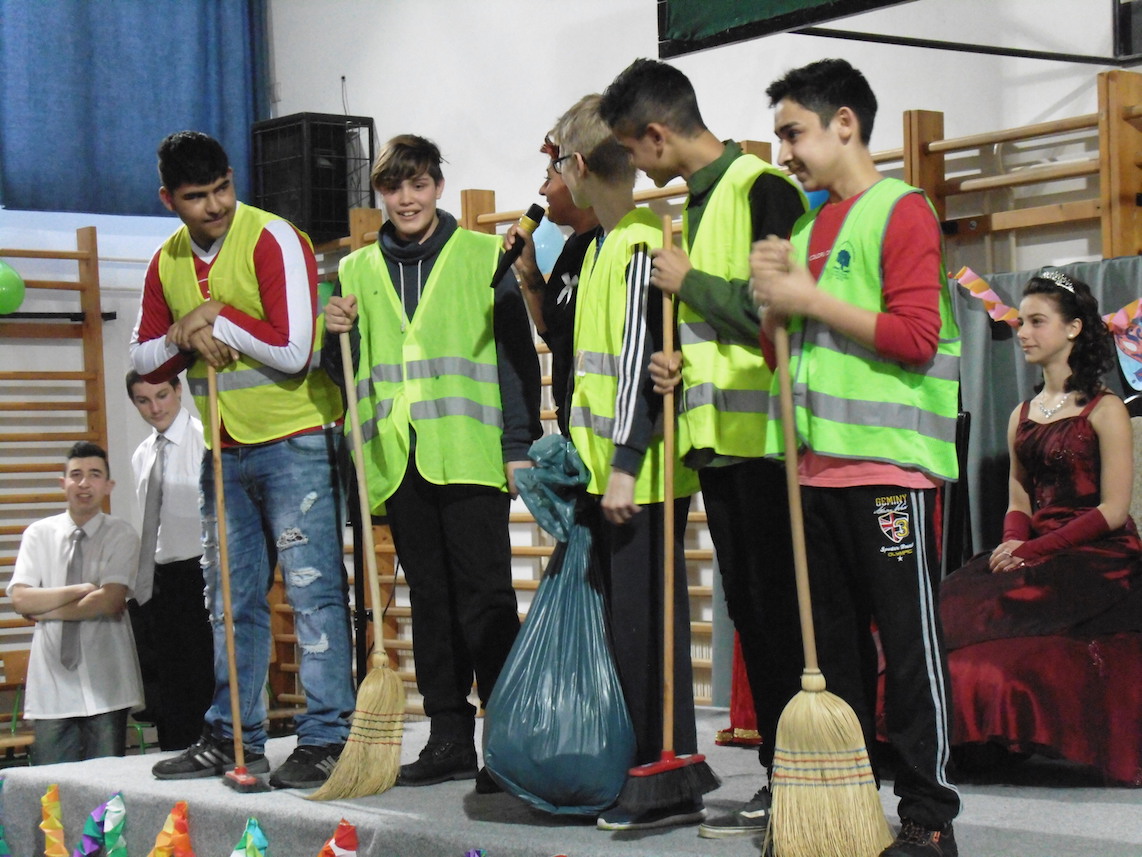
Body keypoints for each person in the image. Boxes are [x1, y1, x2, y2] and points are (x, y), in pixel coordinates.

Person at [751, 59, 961, 856]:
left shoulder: (901, 210)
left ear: (845, 123)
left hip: (887, 471)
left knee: (907, 648)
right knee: (829, 654)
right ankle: (843, 813)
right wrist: (770, 311)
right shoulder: (808, 231)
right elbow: (788, 359)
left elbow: (915, 336)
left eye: (793, 133)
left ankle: (928, 815)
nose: (784, 153)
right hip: (813, 472)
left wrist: (805, 299)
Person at [599, 57, 807, 840]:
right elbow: (723, 333)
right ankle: (782, 777)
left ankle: (809, 779)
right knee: (754, 620)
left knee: (786, 622)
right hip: (718, 448)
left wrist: (688, 285)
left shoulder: (762, 188)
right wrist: (677, 364)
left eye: (633, 146)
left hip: (773, 448)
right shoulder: (697, 201)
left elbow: (778, 311)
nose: (635, 163)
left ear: (656, 135)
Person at [130, 130, 354, 790]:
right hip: (224, 450)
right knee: (229, 603)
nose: (216, 205)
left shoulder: (273, 237)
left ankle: (327, 737)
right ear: (168, 199)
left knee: (313, 594)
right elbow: (141, 358)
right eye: (197, 197)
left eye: (223, 188)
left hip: (297, 441)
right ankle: (234, 736)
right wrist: (187, 332)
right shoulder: (166, 261)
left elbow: (295, 349)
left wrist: (216, 317)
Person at [322, 134, 541, 792]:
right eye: (394, 187)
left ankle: (507, 740)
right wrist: (334, 336)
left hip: (470, 456)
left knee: (487, 598)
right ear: (381, 195)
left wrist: (519, 446)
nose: (407, 198)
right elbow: (343, 373)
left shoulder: (483, 255)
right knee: (431, 601)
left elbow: (516, 359)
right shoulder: (354, 271)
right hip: (398, 460)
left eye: (418, 184)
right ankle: (449, 735)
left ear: (438, 187)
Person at [540, 94, 701, 831]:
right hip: (607, 472)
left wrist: (626, 466)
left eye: (557, 165)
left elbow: (641, 365)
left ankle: (662, 772)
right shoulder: (602, 245)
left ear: (577, 166)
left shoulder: (638, 244)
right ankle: (639, 764)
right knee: (624, 629)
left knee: (645, 632)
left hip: (643, 476)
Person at [941, 271, 1141, 647]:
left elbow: (1113, 511)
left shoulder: (1106, 408)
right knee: (952, 602)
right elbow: (1019, 498)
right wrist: (1011, 546)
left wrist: (1031, 551)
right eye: (1021, 322)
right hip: (1034, 547)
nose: (1023, 333)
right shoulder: (1021, 415)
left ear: (1073, 328)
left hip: (1095, 556)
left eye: (1037, 322)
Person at [7, 442, 143, 764]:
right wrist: (81, 589)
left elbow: (109, 601)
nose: (84, 483)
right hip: (51, 684)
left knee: (107, 786)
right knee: (52, 786)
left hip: (107, 681)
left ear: (108, 485)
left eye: (94, 475)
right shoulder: (38, 534)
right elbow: (21, 598)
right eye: (76, 475)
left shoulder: (122, 534)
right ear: (63, 483)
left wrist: (44, 611)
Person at [126, 370, 214, 751]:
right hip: (158, 578)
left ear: (178, 390)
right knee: (166, 682)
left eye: (162, 395)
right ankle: (173, 749)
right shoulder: (142, 454)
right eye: (143, 401)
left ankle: (209, 748)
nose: (155, 407)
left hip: (201, 571)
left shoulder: (205, 440)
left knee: (202, 676)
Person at [505, 134, 602, 436]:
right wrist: (529, 271)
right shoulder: (572, 246)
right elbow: (557, 337)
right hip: (574, 427)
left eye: (549, 179)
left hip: (606, 430)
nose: (542, 190)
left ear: (577, 177)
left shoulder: (607, 245)